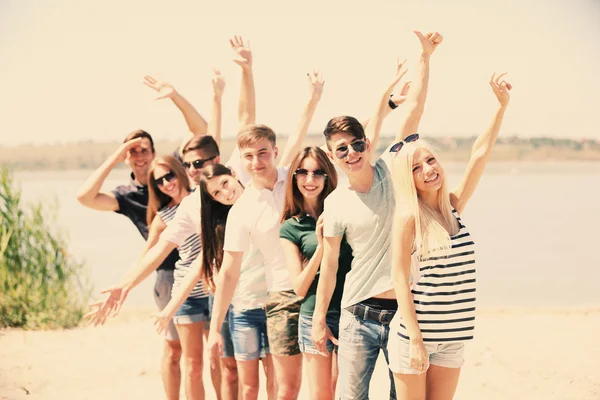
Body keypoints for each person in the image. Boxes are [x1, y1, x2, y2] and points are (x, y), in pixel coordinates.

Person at [312, 31, 444, 399]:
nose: (352, 152)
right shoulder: (335, 203)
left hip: (406, 311)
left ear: (366, 144)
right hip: (357, 314)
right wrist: (320, 318)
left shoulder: (392, 169)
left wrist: (425, 56)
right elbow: (331, 265)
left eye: (357, 144)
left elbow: (414, 109)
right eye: (342, 149)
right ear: (332, 155)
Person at [387, 73, 511, 400]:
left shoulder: (453, 206)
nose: (428, 169)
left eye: (430, 160)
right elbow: (399, 277)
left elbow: (479, 154)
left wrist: (501, 108)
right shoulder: (408, 217)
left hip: (453, 337)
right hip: (416, 336)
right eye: (416, 167)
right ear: (408, 178)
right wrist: (415, 339)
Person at [206, 68, 325, 400]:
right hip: (282, 297)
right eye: (248, 156)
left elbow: (299, 136)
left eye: (262, 152)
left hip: (321, 290)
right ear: (241, 161)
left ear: (274, 151)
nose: (256, 161)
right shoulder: (242, 209)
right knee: (282, 388)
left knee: (319, 383)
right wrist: (215, 328)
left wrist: (313, 99)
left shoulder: (297, 178)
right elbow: (229, 272)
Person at [87, 156, 213, 400]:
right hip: (186, 295)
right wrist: (123, 287)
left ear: (179, 171)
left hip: (217, 291)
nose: (166, 183)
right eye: (159, 181)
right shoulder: (164, 216)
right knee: (194, 365)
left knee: (221, 362)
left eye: (170, 176)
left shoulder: (207, 195)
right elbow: (149, 256)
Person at [154, 164, 276, 400]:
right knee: (240, 379)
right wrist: (169, 309)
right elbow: (198, 268)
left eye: (225, 184)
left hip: (273, 302)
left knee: (275, 380)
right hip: (238, 305)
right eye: (216, 194)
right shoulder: (221, 224)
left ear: (233, 173)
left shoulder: (263, 198)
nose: (226, 193)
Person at [279, 147, 353, 400]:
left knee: (349, 391)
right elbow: (299, 287)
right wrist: (322, 247)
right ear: (294, 177)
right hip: (313, 317)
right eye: (303, 172)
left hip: (352, 313)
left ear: (328, 176)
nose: (310, 180)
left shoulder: (344, 210)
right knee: (321, 394)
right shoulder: (291, 226)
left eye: (317, 173)